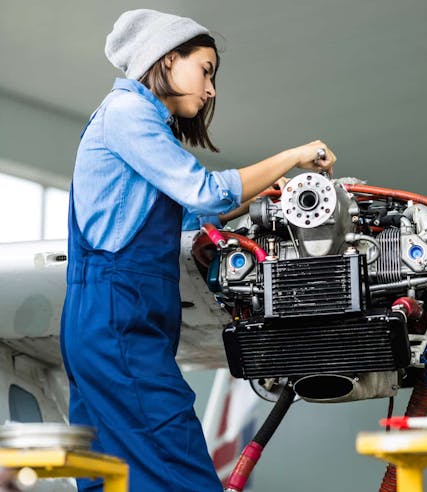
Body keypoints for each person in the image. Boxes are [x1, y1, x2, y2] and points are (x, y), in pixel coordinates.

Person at [60, 8, 336, 492]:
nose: (210, 90)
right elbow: (206, 191)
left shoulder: (130, 123)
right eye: (205, 71)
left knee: (108, 480)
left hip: (106, 321)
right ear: (166, 58)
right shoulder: (127, 114)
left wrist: (267, 194)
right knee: (183, 471)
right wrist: (292, 155)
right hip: (118, 320)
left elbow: (191, 216)